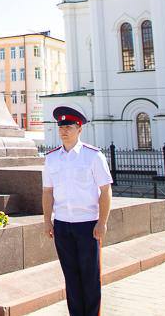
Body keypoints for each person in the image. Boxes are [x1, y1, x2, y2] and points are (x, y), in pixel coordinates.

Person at [41, 106, 112, 316]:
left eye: (69, 126)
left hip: (88, 225)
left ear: (79, 129)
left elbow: (106, 190)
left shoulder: (93, 156)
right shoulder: (52, 158)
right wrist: (47, 220)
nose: (64, 130)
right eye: (61, 126)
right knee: (70, 276)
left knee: (90, 277)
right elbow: (47, 192)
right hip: (62, 225)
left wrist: (102, 222)